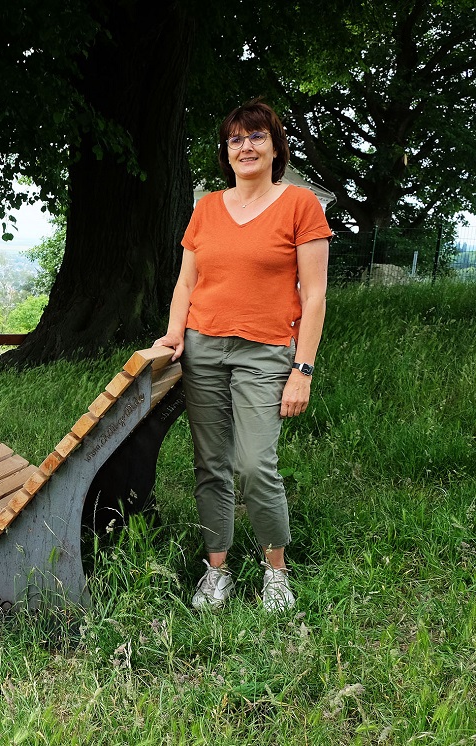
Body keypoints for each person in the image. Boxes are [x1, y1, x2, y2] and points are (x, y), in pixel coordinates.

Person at [154, 99, 330, 612]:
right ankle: (217, 570)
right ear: (225, 151)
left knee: (254, 464)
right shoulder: (206, 206)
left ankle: (276, 572)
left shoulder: (300, 205)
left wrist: (303, 370)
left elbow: (315, 295)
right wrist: (173, 336)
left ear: (276, 147)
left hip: (267, 352)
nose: (245, 147)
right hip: (203, 350)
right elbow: (187, 280)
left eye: (256, 137)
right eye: (235, 139)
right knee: (210, 463)